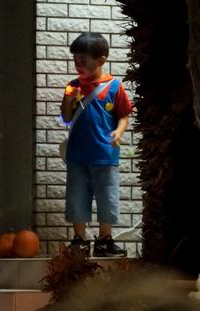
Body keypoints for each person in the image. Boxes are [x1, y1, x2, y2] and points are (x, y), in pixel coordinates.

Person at [60, 31, 133, 258]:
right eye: (76, 60)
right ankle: (79, 239)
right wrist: (69, 100)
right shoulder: (72, 86)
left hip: (105, 153)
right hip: (77, 155)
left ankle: (105, 239)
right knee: (76, 195)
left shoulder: (114, 87)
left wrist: (118, 132)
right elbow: (66, 117)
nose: (78, 65)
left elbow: (124, 114)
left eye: (84, 60)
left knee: (107, 196)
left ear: (102, 59)